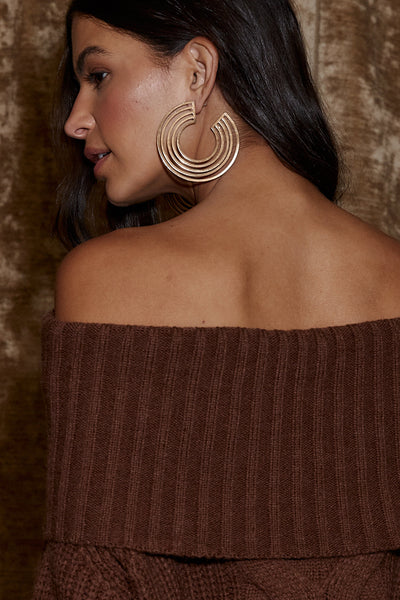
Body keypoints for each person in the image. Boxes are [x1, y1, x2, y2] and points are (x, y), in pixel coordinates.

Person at [33, 0, 400, 598]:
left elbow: (89, 580)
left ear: (197, 71)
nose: (76, 120)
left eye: (98, 75)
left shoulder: (105, 281)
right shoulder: (392, 280)